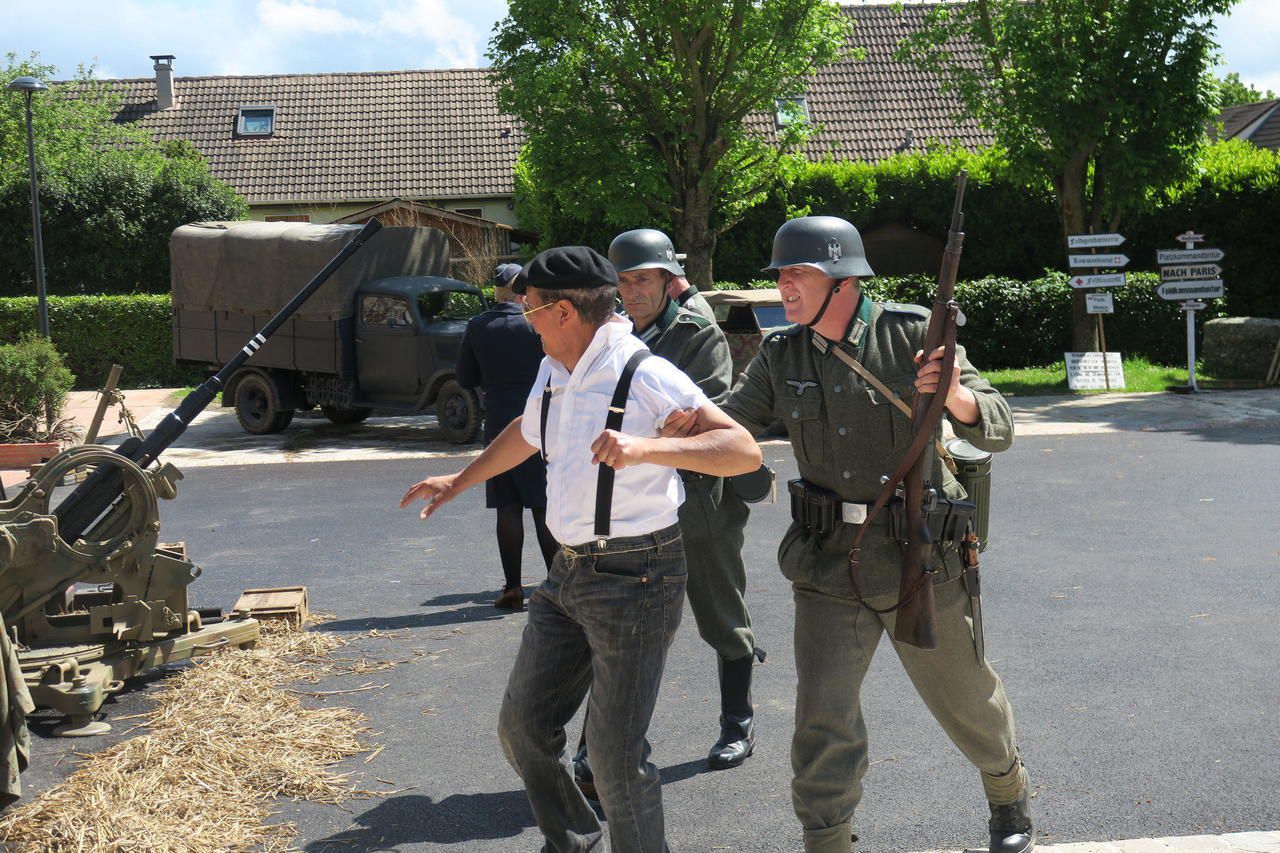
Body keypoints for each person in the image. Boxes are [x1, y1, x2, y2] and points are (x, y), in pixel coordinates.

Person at [400, 246, 761, 853]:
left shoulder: (644, 373)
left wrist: (648, 449)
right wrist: (459, 480)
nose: (524, 318)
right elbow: (526, 428)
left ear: (563, 310)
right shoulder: (555, 365)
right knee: (523, 730)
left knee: (617, 760)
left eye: (531, 307)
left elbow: (742, 449)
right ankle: (575, 840)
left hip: (637, 575)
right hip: (568, 572)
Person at [706, 216, 1033, 853]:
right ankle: (827, 840)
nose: (783, 286)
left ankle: (1006, 789)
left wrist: (957, 398)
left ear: (841, 279)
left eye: (795, 273)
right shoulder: (783, 354)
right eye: (780, 275)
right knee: (822, 721)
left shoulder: (912, 334)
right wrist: (655, 431)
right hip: (828, 565)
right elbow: (726, 424)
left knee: (966, 700)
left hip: (921, 559)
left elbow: (999, 425)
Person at [570, 229, 762, 782]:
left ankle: (738, 722)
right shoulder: (604, 335)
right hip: (628, 505)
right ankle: (596, 746)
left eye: (642, 280)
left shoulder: (697, 335)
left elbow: (710, 416)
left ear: (667, 280)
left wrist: (662, 425)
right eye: (623, 281)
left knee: (721, 615)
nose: (631, 291)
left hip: (699, 505)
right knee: (615, 628)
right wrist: (658, 421)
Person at [455, 262, 557, 610]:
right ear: (522, 291)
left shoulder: (478, 326)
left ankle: (513, 586)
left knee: (507, 505)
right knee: (544, 505)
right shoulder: (536, 323)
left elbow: (465, 376)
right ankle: (557, 584)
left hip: (498, 420)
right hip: (539, 419)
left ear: (495, 291)